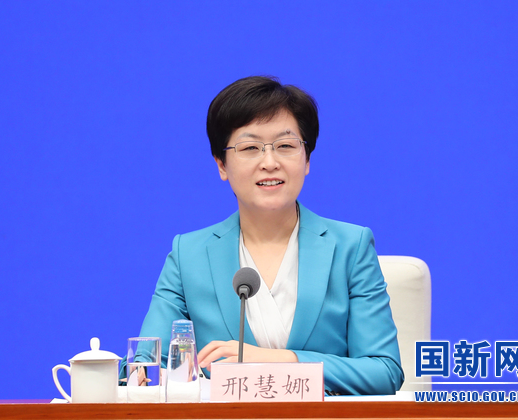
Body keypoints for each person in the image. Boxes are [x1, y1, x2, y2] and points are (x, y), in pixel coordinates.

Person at [127, 76, 404, 395]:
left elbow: (384, 371)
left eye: (285, 146)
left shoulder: (350, 247)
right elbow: (145, 363)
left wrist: (277, 361)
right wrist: (138, 373)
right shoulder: (188, 254)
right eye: (250, 148)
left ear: (307, 159)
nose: (270, 163)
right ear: (221, 165)